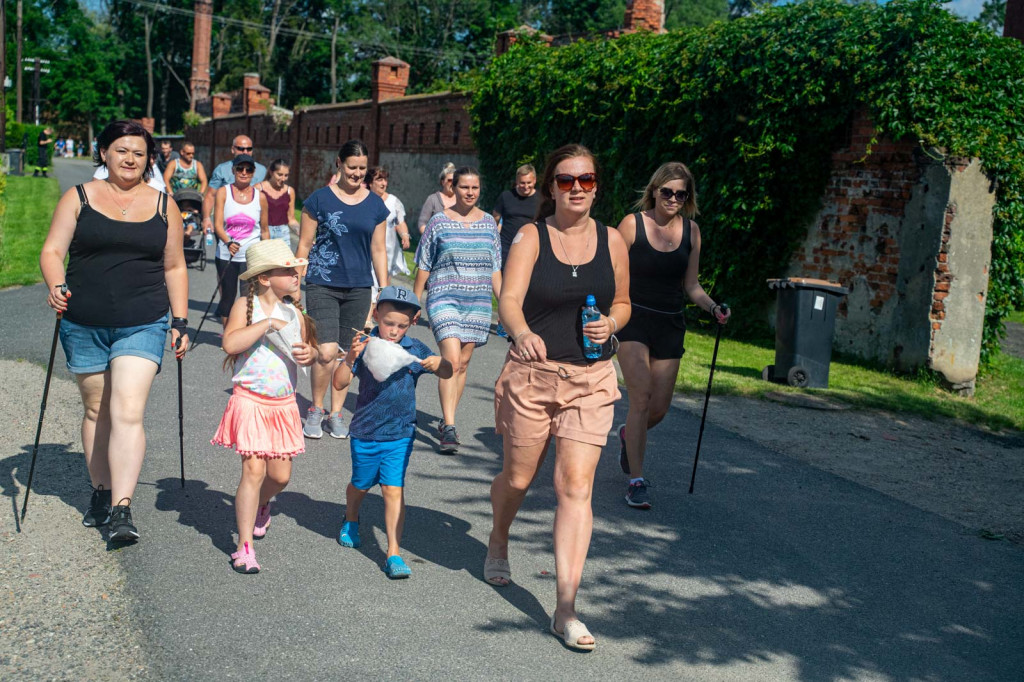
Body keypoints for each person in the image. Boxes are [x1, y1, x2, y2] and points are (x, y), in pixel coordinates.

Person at [487, 144, 630, 651]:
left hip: (590, 379)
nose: (576, 189)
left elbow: (623, 301)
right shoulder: (531, 235)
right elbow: (507, 297)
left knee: (575, 486)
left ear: (596, 185)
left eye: (586, 180)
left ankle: (565, 608)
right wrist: (521, 331)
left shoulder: (613, 240)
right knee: (519, 478)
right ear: (550, 187)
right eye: (566, 180)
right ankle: (499, 534)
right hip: (533, 376)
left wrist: (611, 323)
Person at [39, 119, 190, 542]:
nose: (130, 159)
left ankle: (122, 509)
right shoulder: (79, 197)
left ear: (149, 160)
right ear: (104, 152)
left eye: (139, 153)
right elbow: (52, 250)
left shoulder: (164, 206)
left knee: (126, 410)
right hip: (83, 320)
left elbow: (175, 266)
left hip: (143, 320)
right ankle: (101, 491)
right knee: (96, 410)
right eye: (122, 150)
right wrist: (56, 284)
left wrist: (180, 322)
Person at [614, 162, 730, 509]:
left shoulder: (691, 232)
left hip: (670, 323)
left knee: (659, 409)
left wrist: (712, 308)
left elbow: (691, 285)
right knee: (642, 397)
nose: (674, 199)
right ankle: (636, 480)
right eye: (668, 192)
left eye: (682, 194)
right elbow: (611, 271)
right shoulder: (632, 225)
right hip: (632, 319)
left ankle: (627, 436)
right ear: (654, 190)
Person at [332, 286, 453, 579]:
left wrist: (441, 364)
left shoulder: (415, 349)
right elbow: (338, 384)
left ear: (413, 322)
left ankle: (393, 552)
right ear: (376, 315)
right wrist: (350, 357)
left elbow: (448, 372)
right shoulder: (364, 344)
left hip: (400, 433)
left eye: (401, 325)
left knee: (393, 489)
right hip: (365, 430)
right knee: (360, 485)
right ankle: (351, 517)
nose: (393, 331)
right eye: (388, 323)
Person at [213, 239, 319, 574]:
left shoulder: (295, 314)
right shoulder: (247, 308)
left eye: (295, 269)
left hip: (283, 404)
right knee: (253, 471)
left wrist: (311, 354)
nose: (295, 274)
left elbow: (310, 351)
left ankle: (261, 504)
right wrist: (266, 326)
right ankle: (244, 547)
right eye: (287, 270)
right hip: (249, 399)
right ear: (263, 278)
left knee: (280, 476)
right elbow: (230, 343)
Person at [296, 140, 389, 440]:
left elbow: (378, 250)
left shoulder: (376, 205)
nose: (358, 173)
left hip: (359, 287)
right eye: (352, 167)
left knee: (347, 354)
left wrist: (384, 290)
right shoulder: (318, 200)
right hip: (322, 283)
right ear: (339, 163)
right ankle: (316, 409)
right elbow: (304, 245)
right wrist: (296, 282)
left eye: (362, 168)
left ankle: (336, 414)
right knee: (325, 352)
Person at [413, 167, 501, 454]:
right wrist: (413, 302)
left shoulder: (489, 223)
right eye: (464, 187)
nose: (470, 192)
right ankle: (450, 426)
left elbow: (496, 268)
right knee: (450, 359)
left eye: (475, 188)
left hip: (477, 301)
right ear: (454, 188)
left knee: (463, 364)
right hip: (443, 297)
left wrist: (506, 307)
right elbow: (424, 263)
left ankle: (445, 419)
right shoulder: (439, 221)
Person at [213, 154, 269, 326]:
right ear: (233, 170)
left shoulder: (260, 197)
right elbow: (218, 225)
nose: (244, 172)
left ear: (253, 172)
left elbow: (265, 230)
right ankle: (227, 334)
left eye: (249, 169)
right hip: (226, 253)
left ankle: (244, 334)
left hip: (250, 255)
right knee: (228, 297)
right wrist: (228, 242)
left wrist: (266, 256)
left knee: (248, 298)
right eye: (240, 169)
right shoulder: (223, 192)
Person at [202, 135, 267, 238]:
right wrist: (206, 218)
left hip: (252, 224)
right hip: (227, 224)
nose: (245, 152)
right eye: (241, 148)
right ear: (233, 149)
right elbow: (211, 195)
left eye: (249, 149)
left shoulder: (262, 170)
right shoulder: (221, 170)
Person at [492, 164, 540, 268]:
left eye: (529, 183)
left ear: (535, 180)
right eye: (522, 183)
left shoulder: (541, 200)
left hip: (530, 247)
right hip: (506, 247)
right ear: (517, 181)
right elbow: (495, 219)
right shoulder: (506, 196)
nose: (526, 186)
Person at [366, 166, 410, 277]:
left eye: (385, 180)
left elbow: (400, 222)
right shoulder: (363, 200)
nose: (384, 183)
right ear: (370, 183)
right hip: (367, 249)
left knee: (383, 284)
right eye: (379, 179)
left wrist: (404, 235)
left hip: (387, 250)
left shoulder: (393, 201)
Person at [256, 159, 299, 244]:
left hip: (283, 234)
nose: (283, 178)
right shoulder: (258, 189)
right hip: (263, 232)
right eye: (279, 175)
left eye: (286, 175)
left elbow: (291, 219)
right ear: (271, 172)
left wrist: (301, 233)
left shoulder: (290, 191)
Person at [416, 162, 457, 236]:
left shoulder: (461, 200)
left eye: (455, 181)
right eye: (450, 180)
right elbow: (422, 223)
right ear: (443, 182)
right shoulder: (433, 199)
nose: (453, 183)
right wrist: (431, 238)